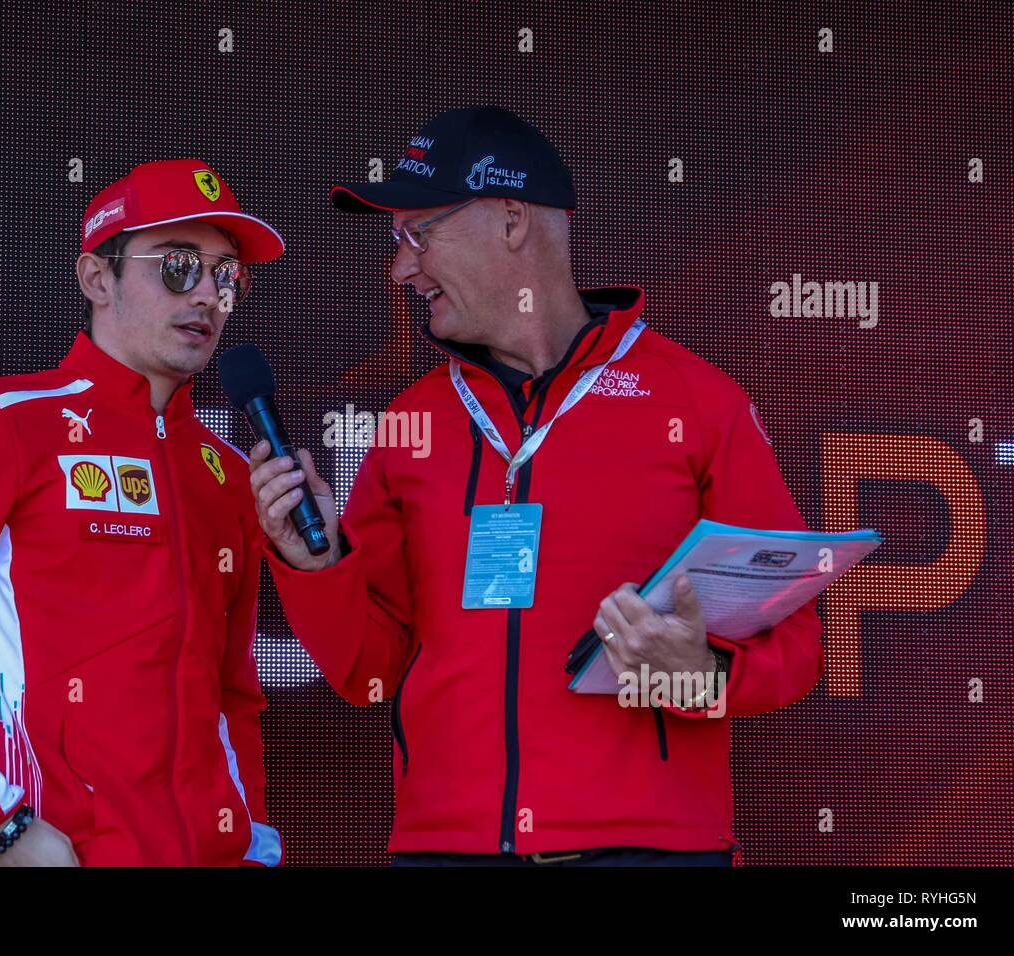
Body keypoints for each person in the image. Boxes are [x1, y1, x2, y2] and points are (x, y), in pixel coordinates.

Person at [249, 107, 824, 866]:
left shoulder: (698, 402)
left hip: (648, 852)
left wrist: (704, 677)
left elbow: (796, 642)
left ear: (512, 219)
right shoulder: (410, 423)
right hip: (448, 851)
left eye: (416, 235)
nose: (401, 270)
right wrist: (316, 566)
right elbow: (372, 673)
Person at [0, 159, 284, 866]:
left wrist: (253, 842)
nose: (206, 295)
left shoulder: (226, 472)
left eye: (226, 276)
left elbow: (233, 693)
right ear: (96, 279)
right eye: (177, 267)